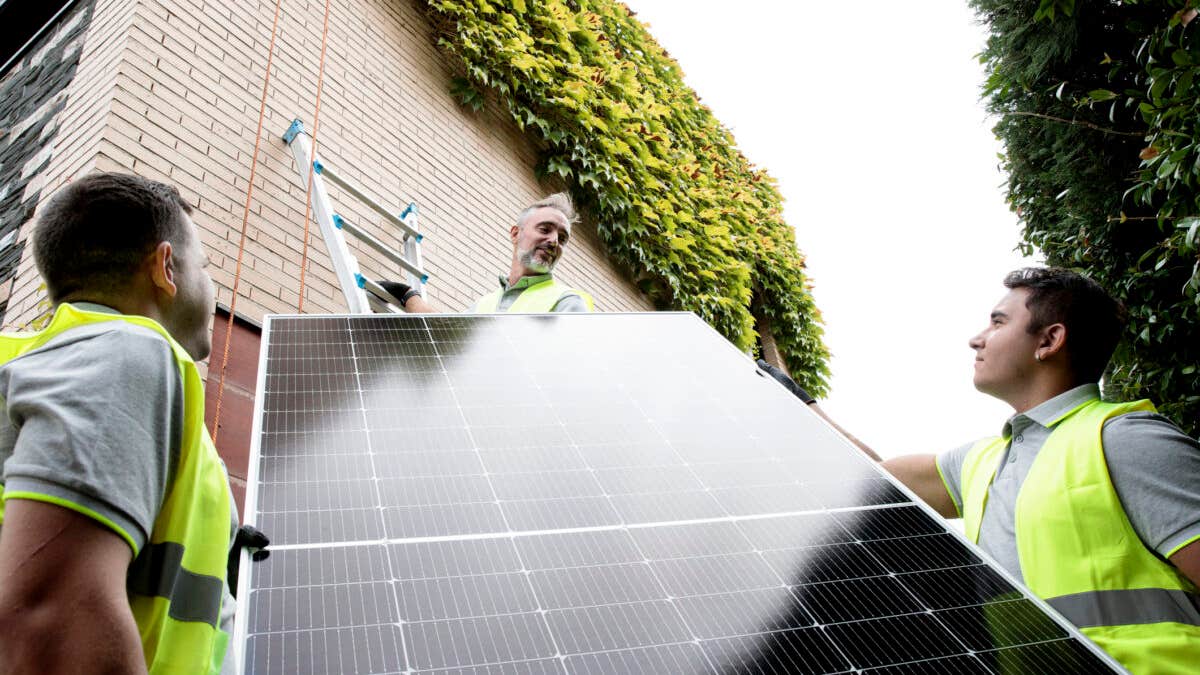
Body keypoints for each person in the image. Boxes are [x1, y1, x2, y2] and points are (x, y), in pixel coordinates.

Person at [761, 267, 1200, 674]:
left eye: (997, 322)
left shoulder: (1125, 439)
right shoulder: (983, 461)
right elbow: (870, 475)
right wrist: (800, 402)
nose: (977, 338)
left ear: (1049, 340)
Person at [0, 172, 265, 674]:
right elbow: (51, 623)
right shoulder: (126, 354)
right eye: (205, 268)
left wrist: (220, 552)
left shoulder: (70, 363)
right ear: (166, 267)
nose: (212, 290)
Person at [378, 192, 594, 313]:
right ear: (515, 233)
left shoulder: (567, 302)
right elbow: (449, 338)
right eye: (545, 229)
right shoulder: (485, 304)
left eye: (562, 238)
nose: (554, 241)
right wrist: (408, 295)